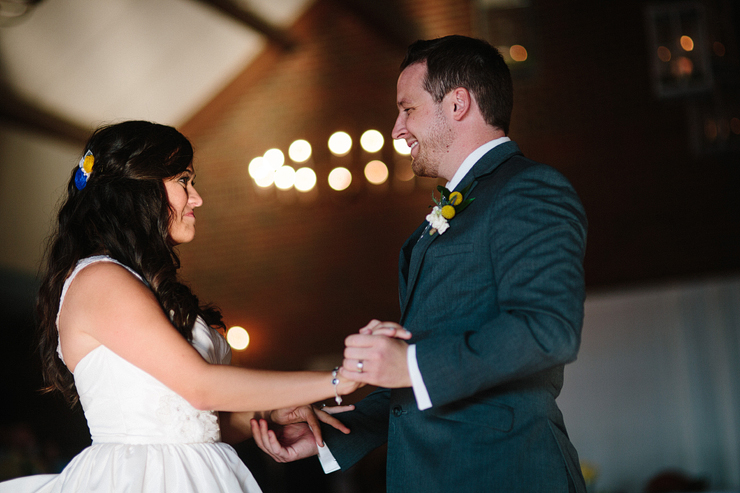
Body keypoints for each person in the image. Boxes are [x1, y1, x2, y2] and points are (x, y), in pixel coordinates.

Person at [252, 35, 589, 492]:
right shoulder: (455, 209)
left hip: (506, 472)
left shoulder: (528, 189)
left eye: (407, 109)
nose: (396, 129)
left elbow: (547, 330)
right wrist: (329, 434)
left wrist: (410, 365)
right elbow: (425, 378)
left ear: (457, 104)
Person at [0, 120, 360, 493]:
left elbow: (193, 419)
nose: (197, 197)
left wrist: (266, 413)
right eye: (184, 181)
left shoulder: (141, 284)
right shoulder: (99, 280)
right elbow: (200, 387)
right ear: (138, 190)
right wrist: (336, 379)